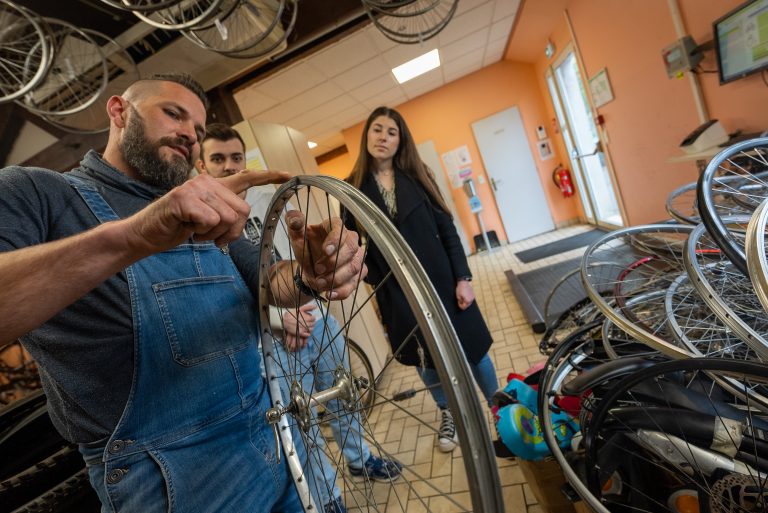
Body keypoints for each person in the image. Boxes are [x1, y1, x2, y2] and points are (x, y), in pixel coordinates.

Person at [0, 73, 367, 513]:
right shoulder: (35, 192)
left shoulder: (205, 210)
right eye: (172, 114)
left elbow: (267, 282)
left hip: (275, 439)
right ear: (118, 111)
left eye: (196, 129)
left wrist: (310, 275)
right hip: (175, 480)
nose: (188, 136)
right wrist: (134, 236)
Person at [196, 123, 402, 513]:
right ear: (202, 167)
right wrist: (278, 318)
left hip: (318, 320)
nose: (229, 167)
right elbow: (227, 294)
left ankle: (359, 459)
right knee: (301, 423)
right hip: (270, 341)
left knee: (344, 395)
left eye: (236, 157)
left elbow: (297, 264)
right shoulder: (203, 226)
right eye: (218, 159)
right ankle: (328, 499)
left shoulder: (270, 201)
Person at [345, 106, 498, 452]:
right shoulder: (352, 190)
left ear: (401, 141)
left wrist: (463, 277)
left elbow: (448, 229)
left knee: (474, 350)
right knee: (424, 359)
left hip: (443, 281)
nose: (383, 137)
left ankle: (498, 407)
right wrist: (372, 282)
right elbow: (355, 249)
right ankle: (449, 414)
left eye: (391, 132)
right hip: (397, 293)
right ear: (366, 135)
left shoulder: (418, 176)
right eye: (377, 130)